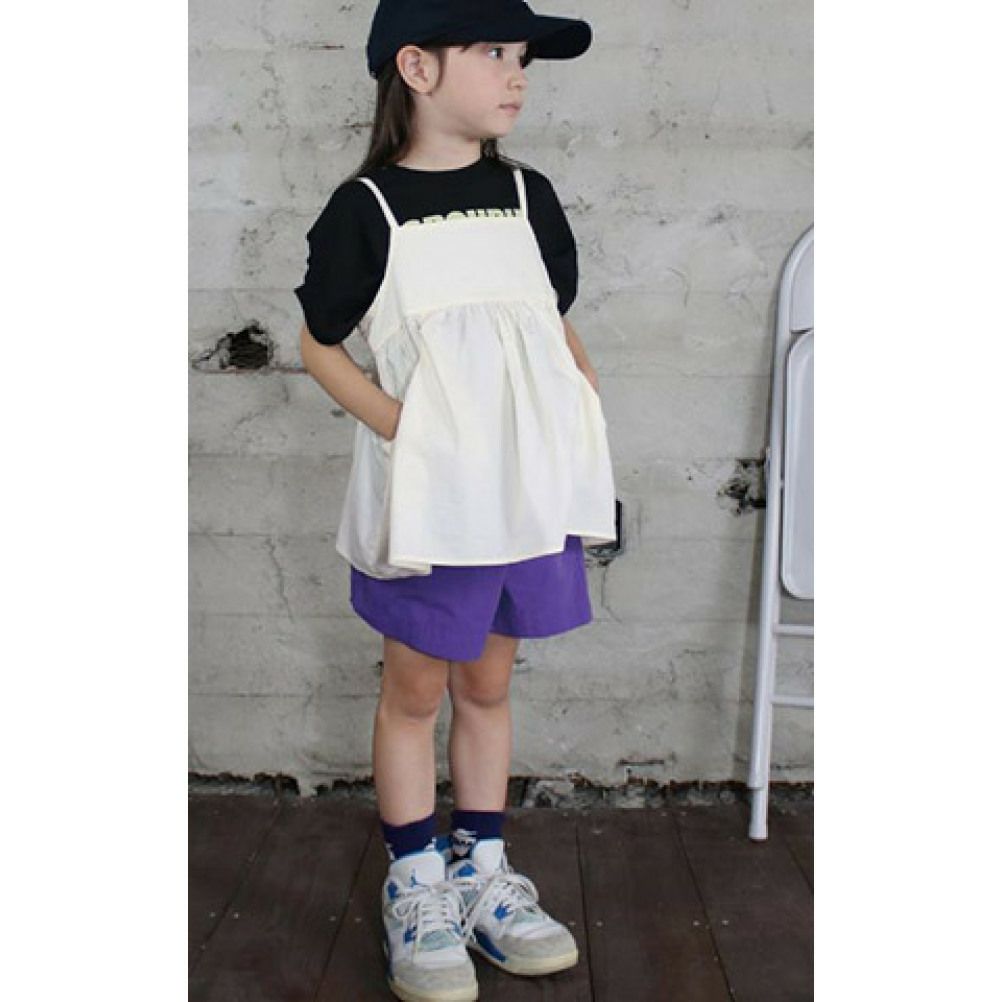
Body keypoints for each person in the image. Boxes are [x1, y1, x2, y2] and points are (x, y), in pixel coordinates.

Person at [295, 2, 616, 999]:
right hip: (434, 504)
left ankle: (483, 869)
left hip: (523, 496)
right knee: (415, 691)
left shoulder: (529, 197)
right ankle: (416, 879)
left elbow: (546, 323)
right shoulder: (368, 209)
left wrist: (580, 403)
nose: (518, 74)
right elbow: (318, 342)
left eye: (522, 58)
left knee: (487, 685)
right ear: (418, 68)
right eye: (494, 53)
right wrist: (403, 427)